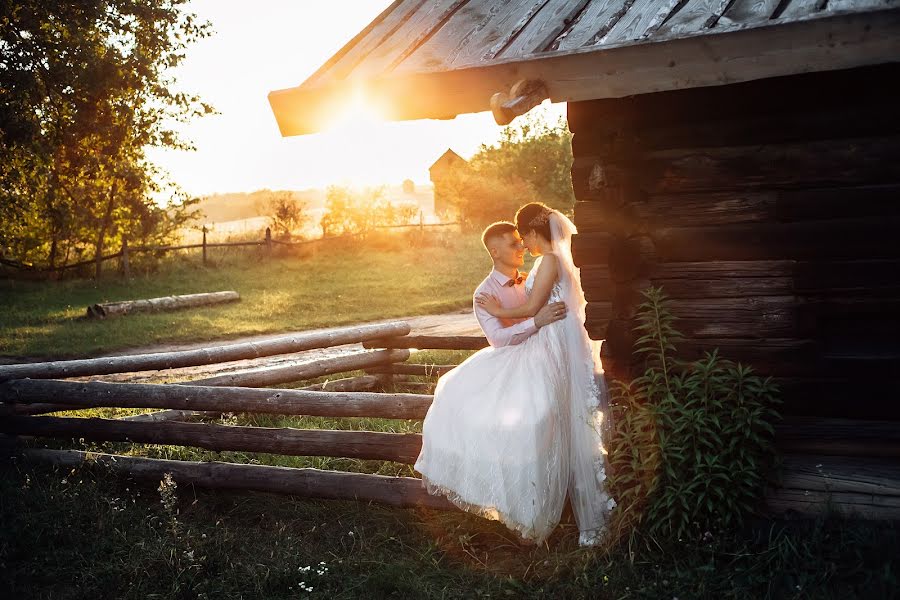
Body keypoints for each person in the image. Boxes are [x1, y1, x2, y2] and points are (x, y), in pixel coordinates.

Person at [414, 204, 614, 546]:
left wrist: (510, 312)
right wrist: (510, 314)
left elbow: (533, 306)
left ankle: (554, 505)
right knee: (501, 407)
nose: (523, 246)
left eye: (523, 240)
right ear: (495, 251)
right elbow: (503, 336)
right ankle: (524, 499)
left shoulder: (547, 261)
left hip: (551, 344)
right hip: (537, 342)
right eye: (514, 243)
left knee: (549, 415)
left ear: (536, 233)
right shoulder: (486, 292)